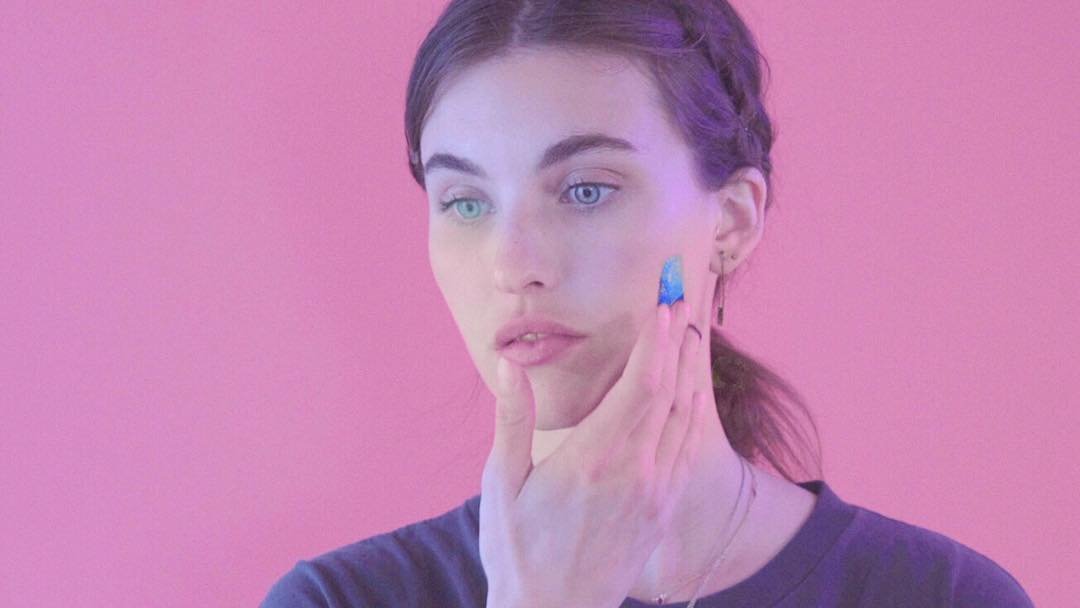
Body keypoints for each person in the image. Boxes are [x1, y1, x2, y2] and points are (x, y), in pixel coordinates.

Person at [261, 1, 1034, 606]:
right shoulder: (340, 600)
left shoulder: (942, 596)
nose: (513, 265)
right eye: (464, 202)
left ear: (732, 219)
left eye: (586, 190)